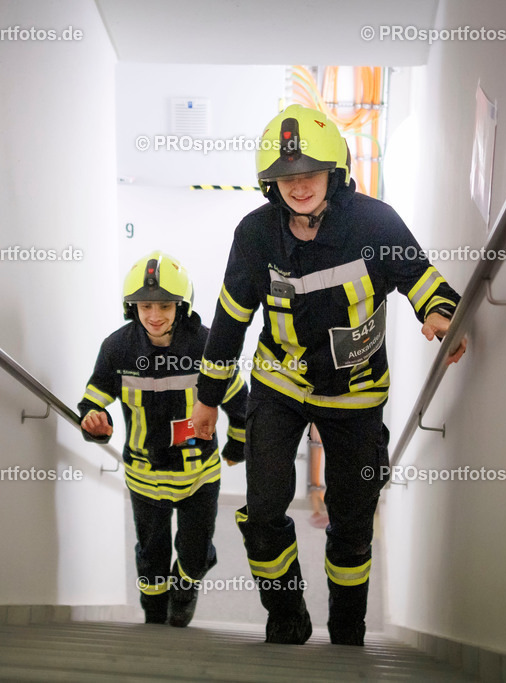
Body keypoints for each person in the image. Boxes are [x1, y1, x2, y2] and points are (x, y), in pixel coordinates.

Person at [191, 104, 466, 646]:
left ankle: (346, 626)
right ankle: (286, 613)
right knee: (264, 508)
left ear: (334, 172)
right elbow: (229, 323)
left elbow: (421, 277)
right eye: (287, 177)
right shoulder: (254, 236)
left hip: (356, 392)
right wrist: (207, 400)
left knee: (352, 518)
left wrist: (438, 311)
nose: (299, 187)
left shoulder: (373, 222)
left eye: (310, 174)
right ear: (272, 184)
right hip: (281, 382)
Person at [79, 250, 249, 627]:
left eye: (164, 306)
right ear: (132, 309)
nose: (154, 316)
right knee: (150, 555)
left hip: (198, 477)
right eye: (144, 307)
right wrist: (95, 420)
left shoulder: (206, 345)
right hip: (144, 477)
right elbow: (94, 398)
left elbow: (240, 401)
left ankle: (187, 587)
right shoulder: (117, 348)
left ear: (181, 306)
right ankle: (154, 613)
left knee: (193, 551)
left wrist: (237, 446)